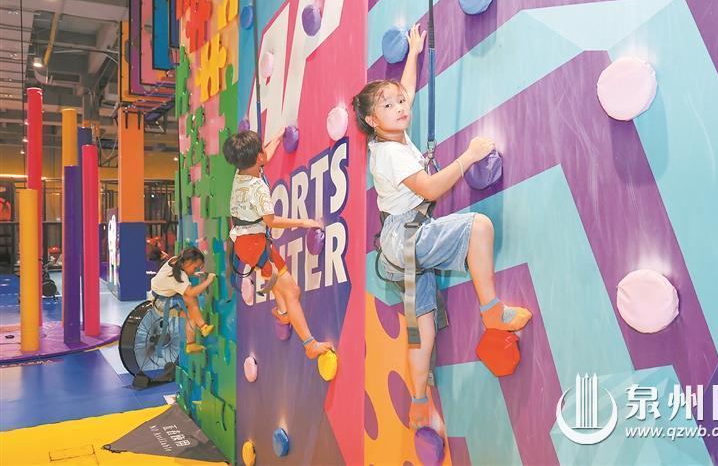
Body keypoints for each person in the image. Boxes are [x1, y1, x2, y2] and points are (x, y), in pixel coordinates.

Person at [352, 23, 533, 430]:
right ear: (372, 120)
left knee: (423, 330)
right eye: (389, 106)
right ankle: (492, 313)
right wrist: (468, 156)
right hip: (408, 236)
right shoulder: (391, 155)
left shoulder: (387, 138)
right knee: (479, 227)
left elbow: (406, 91)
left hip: (401, 248)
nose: (401, 107)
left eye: (400, 102)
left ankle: (418, 403)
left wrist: (415, 53)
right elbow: (432, 187)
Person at [222, 130, 333, 360]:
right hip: (255, 246)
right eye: (262, 149)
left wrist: (278, 138)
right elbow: (271, 221)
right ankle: (310, 344)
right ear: (258, 157)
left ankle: (282, 313)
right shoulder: (258, 189)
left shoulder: (240, 172)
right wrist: (303, 222)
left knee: (275, 280)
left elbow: (265, 158)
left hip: (245, 243)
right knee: (292, 290)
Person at [150, 247, 216, 354]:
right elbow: (191, 292)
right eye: (195, 268)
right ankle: (203, 326)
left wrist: (193, 274)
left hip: (159, 297)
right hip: (161, 303)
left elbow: (178, 276)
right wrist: (208, 281)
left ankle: (191, 344)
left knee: (192, 315)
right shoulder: (179, 276)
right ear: (188, 262)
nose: (195, 270)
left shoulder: (175, 260)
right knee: (190, 298)